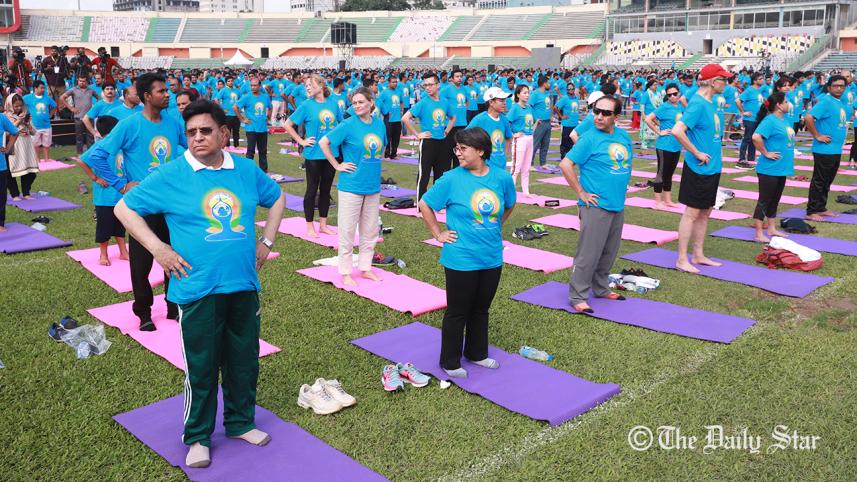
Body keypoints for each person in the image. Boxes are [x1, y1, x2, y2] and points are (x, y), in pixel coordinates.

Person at [114, 99, 286, 469]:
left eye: (205, 130)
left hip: (242, 285)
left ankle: (240, 423)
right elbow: (123, 209)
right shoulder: (173, 174)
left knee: (244, 361)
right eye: (190, 132)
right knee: (202, 368)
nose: (197, 138)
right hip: (197, 289)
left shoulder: (244, 169)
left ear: (224, 133)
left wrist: (267, 241)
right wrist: (158, 248)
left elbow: (276, 198)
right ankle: (197, 436)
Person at [86, 72, 188, 330]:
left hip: (171, 205)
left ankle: (173, 306)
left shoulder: (174, 123)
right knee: (141, 262)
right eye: (162, 91)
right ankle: (143, 312)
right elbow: (96, 155)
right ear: (146, 96)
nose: (168, 95)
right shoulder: (129, 125)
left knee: (174, 256)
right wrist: (121, 184)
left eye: (168, 90)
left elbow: (190, 152)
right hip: (141, 206)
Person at [418, 127, 515, 378]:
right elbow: (425, 204)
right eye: (456, 148)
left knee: (481, 308)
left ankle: (476, 353)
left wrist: (493, 227)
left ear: (481, 151)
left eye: (463, 148)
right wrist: (438, 233)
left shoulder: (502, 178)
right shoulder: (451, 179)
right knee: (458, 310)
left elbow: (509, 205)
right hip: (461, 256)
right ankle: (450, 361)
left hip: (491, 254)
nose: (458, 153)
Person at [557, 95, 633, 314]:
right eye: (596, 111)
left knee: (609, 252)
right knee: (588, 254)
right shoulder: (589, 138)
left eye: (605, 113)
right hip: (595, 206)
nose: (599, 116)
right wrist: (581, 192)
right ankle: (577, 295)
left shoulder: (623, 136)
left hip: (617, 203)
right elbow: (566, 164)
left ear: (616, 116)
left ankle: (600, 288)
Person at [319, 87, 386, 286]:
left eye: (360, 102)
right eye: (354, 103)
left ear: (371, 103)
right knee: (347, 231)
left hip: (372, 185)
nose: (356, 106)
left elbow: (380, 150)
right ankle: (346, 271)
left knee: (370, 231)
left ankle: (365, 268)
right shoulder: (348, 124)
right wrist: (336, 164)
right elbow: (324, 142)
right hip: (351, 185)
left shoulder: (379, 125)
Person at [671, 64, 733, 273]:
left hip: (712, 167)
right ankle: (682, 259)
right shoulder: (698, 103)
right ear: (713, 81)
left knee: (705, 213)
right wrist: (696, 152)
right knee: (691, 213)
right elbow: (677, 131)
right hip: (698, 168)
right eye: (723, 79)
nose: (726, 83)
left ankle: (698, 254)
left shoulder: (711, 102)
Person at [284, 74, 342, 238]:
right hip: (313, 154)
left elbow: (341, 125)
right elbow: (288, 124)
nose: (307, 88)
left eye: (310, 84)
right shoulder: (306, 105)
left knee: (325, 190)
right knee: (311, 190)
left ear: (321, 85)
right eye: (305, 86)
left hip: (331, 153)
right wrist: (301, 141)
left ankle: (323, 225)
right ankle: (310, 226)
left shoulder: (333, 103)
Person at [75, 116, 129, 266]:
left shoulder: (121, 145)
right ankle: (103, 253)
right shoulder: (101, 146)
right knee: (104, 226)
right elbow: (81, 160)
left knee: (121, 224)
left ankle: (123, 251)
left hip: (121, 193)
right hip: (104, 196)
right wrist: (95, 178)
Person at [402, 72, 455, 201]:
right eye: (425, 85)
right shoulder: (423, 102)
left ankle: (437, 202)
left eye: (430, 85)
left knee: (441, 175)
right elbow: (405, 118)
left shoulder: (444, 102)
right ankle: (420, 204)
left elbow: (453, 118)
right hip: (428, 142)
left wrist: (447, 131)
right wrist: (418, 134)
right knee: (424, 174)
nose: (427, 88)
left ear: (438, 85)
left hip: (442, 142)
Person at [804, 74, 849, 221]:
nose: (839, 88)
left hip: (835, 149)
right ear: (829, 87)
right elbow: (809, 118)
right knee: (820, 180)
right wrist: (817, 135)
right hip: (824, 149)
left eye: (842, 86)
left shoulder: (839, 102)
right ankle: (812, 211)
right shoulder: (826, 101)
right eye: (836, 86)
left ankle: (821, 207)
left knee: (828, 180)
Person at [751, 92, 794, 242]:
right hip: (769, 168)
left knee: (775, 199)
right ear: (779, 105)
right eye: (786, 101)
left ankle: (771, 228)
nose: (789, 104)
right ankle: (758, 233)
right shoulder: (770, 120)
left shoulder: (784, 120)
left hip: (781, 167)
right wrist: (766, 152)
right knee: (764, 200)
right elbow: (756, 137)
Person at [644, 83, 684, 209]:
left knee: (670, 174)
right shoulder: (664, 107)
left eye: (675, 94)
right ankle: (658, 201)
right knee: (661, 173)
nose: (672, 96)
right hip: (664, 146)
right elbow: (648, 119)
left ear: (679, 93)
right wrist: (659, 131)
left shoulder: (681, 107)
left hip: (676, 145)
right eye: (669, 95)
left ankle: (667, 200)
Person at [466, 86, 512, 171]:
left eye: (505, 100)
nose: (504, 103)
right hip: (484, 168)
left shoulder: (504, 119)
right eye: (501, 100)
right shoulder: (479, 119)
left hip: (501, 166)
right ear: (491, 102)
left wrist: (504, 155)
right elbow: (465, 137)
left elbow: (508, 138)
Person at [5, 93, 39, 200]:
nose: (19, 108)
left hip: (26, 144)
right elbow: (6, 132)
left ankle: (26, 193)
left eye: (20, 105)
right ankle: (15, 194)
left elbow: (34, 132)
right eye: (16, 106)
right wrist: (19, 121)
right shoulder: (5, 116)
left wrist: (28, 124)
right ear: (10, 105)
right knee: (11, 172)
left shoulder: (26, 114)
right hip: (13, 145)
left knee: (30, 172)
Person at [234, 78, 271, 172]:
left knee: (263, 151)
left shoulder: (265, 96)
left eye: (255, 85)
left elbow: (270, 107)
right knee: (250, 151)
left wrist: (268, 117)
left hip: (263, 128)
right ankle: (248, 171)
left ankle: (264, 171)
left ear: (259, 86)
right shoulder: (247, 97)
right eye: (251, 85)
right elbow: (235, 107)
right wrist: (242, 119)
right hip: (251, 128)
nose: (253, 87)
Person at [507, 84, 536, 196]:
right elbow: (507, 122)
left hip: (529, 138)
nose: (527, 95)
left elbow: (533, 121)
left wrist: (534, 128)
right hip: (520, 140)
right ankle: (510, 192)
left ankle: (526, 192)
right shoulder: (514, 108)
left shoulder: (529, 108)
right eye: (524, 92)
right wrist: (513, 134)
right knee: (516, 167)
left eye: (528, 92)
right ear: (518, 95)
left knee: (526, 167)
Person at [61, 76, 99, 154]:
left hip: (89, 117)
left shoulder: (91, 90)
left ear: (87, 82)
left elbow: (99, 98)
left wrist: (95, 108)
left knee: (90, 136)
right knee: (79, 136)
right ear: (77, 81)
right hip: (78, 117)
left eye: (84, 81)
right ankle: (79, 153)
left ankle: (90, 153)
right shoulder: (73, 90)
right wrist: (71, 108)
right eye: (80, 81)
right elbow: (62, 98)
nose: (82, 82)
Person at [736, 73, 765, 169]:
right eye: (760, 79)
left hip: (757, 118)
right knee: (747, 138)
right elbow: (738, 101)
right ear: (755, 81)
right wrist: (743, 112)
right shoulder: (749, 90)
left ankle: (751, 158)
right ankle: (741, 159)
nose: (762, 80)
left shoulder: (758, 90)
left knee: (754, 139)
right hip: (750, 119)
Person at [23, 80, 57, 162]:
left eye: (44, 88)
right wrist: (25, 115)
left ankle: (46, 159)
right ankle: (37, 159)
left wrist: (51, 114)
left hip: (46, 125)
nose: (43, 89)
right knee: (35, 144)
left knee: (47, 144)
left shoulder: (47, 98)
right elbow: (20, 103)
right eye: (41, 88)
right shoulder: (28, 97)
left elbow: (55, 106)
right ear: (35, 88)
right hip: (34, 126)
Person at [441, 69, 468, 168]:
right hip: (450, 125)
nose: (460, 78)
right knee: (447, 152)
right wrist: (445, 114)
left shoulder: (464, 89)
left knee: (460, 152)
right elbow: (439, 101)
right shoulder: (447, 89)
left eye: (461, 76)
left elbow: (467, 101)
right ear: (452, 78)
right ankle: (447, 174)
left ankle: (458, 174)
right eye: (457, 76)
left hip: (462, 125)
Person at [378, 75, 403, 159]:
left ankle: (394, 154)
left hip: (398, 119)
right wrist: (384, 112)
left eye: (396, 82)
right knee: (388, 137)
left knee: (396, 138)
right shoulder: (384, 92)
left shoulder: (399, 92)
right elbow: (378, 102)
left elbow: (401, 102)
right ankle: (387, 154)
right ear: (388, 83)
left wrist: (402, 111)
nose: (395, 83)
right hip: (388, 119)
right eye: (393, 82)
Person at [529, 76, 553, 167]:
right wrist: (535, 118)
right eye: (548, 82)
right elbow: (529, 106)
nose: (549, 84)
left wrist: (550, 116)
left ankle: (543, 163)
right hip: (540, 123)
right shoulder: (535, 94)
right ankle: (530, 163)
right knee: (535, 143)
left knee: (545, 144)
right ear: (544, 83)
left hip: (547, 122)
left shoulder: (546, 93)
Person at [0, 114, 18, 232]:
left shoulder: (1, 117)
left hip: (0, 166)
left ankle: (0, 223)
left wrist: (8, 147)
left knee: (1, 196)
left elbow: (15, 132)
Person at [554, 83, 580, 161]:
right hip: (567, 124)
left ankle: (570, 158)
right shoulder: (564, 98)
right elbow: (555, 107)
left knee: (572, 142)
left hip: (575, 124)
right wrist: (561, 116)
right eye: (569, 88)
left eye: (572, 88)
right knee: (565, 142)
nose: (571, 90)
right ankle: (563, 158)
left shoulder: (576, 98)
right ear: (567, 90)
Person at [214, 77, 241, 147]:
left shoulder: (237, 90)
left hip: (236, 114)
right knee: (227, 131)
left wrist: (240, 108)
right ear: (226, 82)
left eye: (232, 81)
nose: (231, 82)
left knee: (236, 131)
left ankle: (236, 145)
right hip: (227, 115)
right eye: (229, 81)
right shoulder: (223, 90)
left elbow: (241, 100)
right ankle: (227, 145)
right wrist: (222, 109)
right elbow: (216, 99)